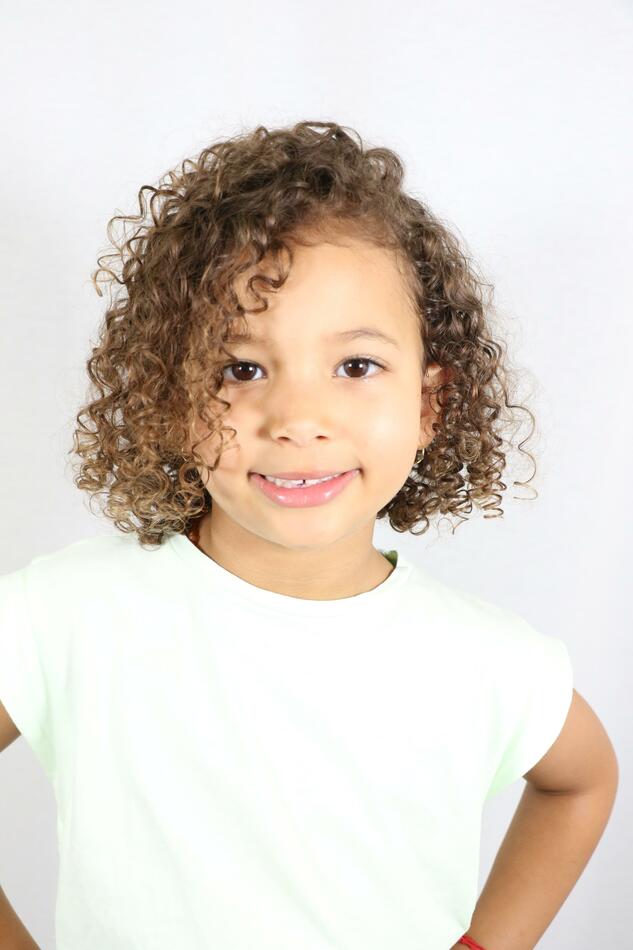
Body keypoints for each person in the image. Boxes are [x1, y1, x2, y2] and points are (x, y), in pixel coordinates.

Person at [0, 120, 618, 950]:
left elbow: (580, 781)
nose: (298, 418)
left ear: (428, 404)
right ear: (172, 400)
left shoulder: (486, 658)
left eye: (355, 366)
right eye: (240, 369)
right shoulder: (65, 613)